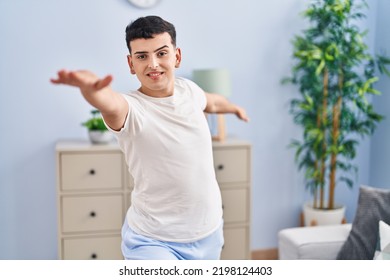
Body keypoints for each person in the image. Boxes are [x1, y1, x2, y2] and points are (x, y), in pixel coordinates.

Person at [51, 15, 249, 260]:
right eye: (142, 56)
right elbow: (110, 104)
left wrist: (234, 108)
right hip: (153, 241)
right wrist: (92, 91)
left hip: (208, 233)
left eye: (161, 53)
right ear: (131, 63)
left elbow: (213, 103)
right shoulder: (131, 109)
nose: (153, 64)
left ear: (176, 57)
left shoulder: (189, 90)